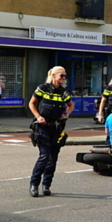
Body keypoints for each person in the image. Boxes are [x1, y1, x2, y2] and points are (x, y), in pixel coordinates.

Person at [28, 66, 73, 197]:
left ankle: (46, 185)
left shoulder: (64, 92)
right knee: (44, 156)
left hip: (56, 127)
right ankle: (34, 184)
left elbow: (70, 105)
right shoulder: (43, 88)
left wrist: (66, 114)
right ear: (53, 75)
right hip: (43, 126)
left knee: (53, 158)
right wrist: (38, 117)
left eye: (65, 76)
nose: (64, 78)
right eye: (61, 76)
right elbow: (32, 103)